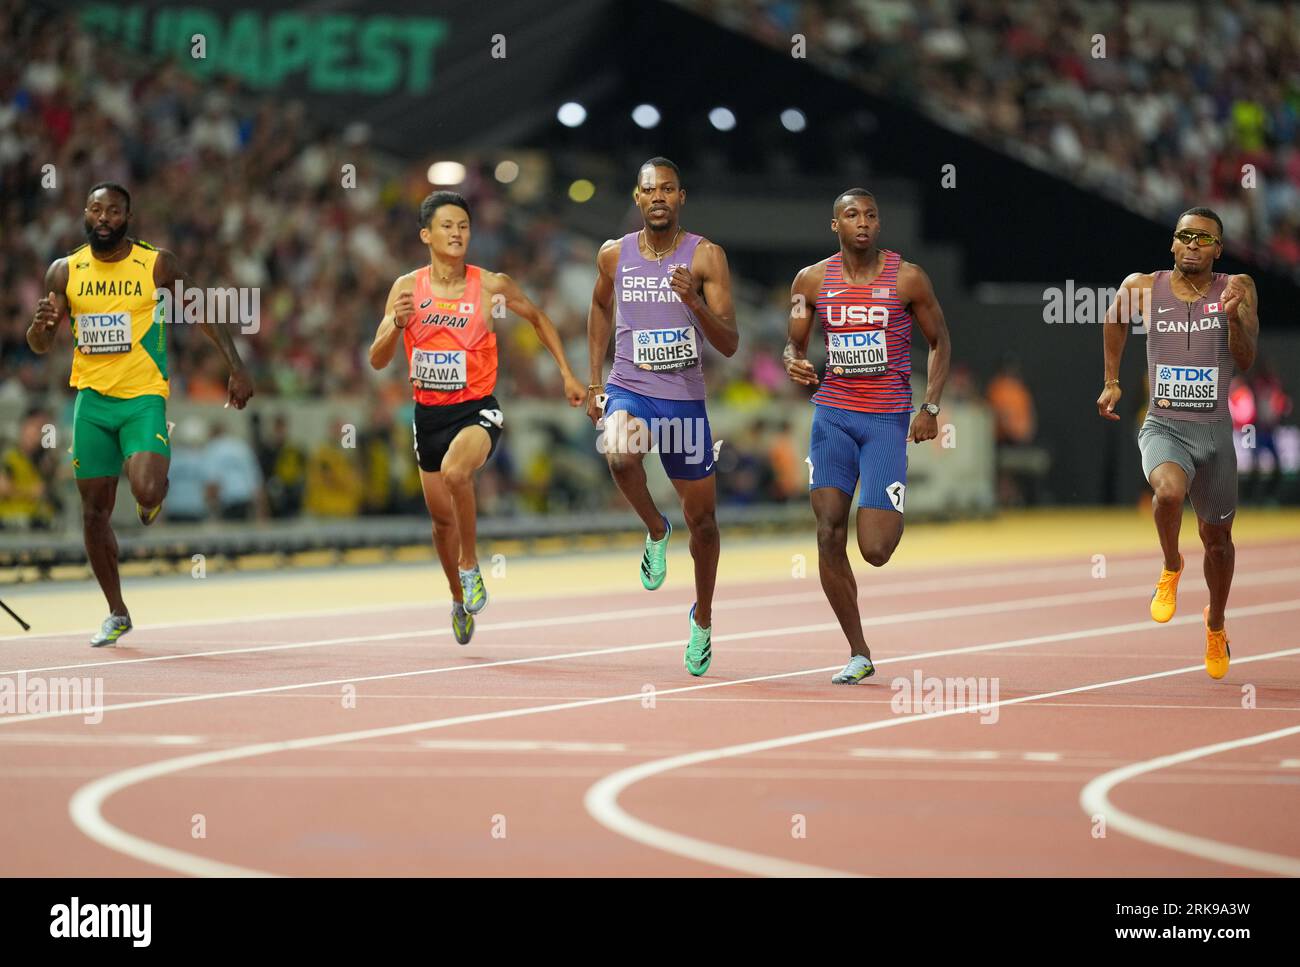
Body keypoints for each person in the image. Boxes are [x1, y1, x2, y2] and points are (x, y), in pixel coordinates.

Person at [25, 182, 253, 646]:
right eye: (94, 209)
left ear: (127, 218)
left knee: (146, 487)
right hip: (91, 400)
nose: (103, 218)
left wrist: (236, 365)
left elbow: (203, 310)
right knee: (94, 513)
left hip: (143, 395)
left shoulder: (156, 263)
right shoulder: (64, 271)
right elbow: (42, 343)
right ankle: (116, 610)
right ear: (85, 215)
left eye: (112, 211)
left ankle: (153, 499)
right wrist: (38, 331)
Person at [369, 190, 584, 645]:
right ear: (426, 234)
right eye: (447, 226)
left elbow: (539, 318)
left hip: (477, 409)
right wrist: (396, 325)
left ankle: (470, 564)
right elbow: (376, 358)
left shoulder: (491, 286)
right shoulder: (406, 288)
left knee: (456, 473)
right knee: (440, 522)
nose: (457, 233)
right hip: (427, 416)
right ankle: (455, 597)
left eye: (464, 226)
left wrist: (567, 374)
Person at [783, 188, 951, 684]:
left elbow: (940, 341)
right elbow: (793, 345)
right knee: (828, 531)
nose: (863, 223)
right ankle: (858, 650)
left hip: (885, 420)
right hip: (832, 415)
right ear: (835, 225)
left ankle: (887, 496)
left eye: (871, 215)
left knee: (875, 549)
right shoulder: (810, 280)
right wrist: (795, 362)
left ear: (879, 224)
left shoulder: (908, 278)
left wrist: (932, 406)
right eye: (851, 215)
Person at [585, 158, 738, 676]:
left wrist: (693, 301)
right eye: (649, 189)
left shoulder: (707, 256)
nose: (658, 197)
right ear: (636, 197)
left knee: (706, 525)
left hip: (685, 403)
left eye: (667, 190)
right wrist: (595, 381)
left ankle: (703, 619)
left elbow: (730, 343)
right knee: (618, 453)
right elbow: (600, 308)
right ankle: (655, 529)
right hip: (631, 386)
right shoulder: (613, 255)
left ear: (680, 197)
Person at [1097, 207, 1260, 680]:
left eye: (1203, 238)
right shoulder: (1142, 287)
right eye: (1184, 236)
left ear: (1218, 249)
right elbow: (1114, 322)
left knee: (1220, 544)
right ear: (1172, 244)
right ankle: (1170, 566)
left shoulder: (1239, 287)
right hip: (1163, 425)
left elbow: (1246, 359)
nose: (1192, 243)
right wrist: (1111, 380)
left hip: (1214, 433)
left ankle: (1215, 623)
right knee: (1166, 493)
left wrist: (1233, 320)